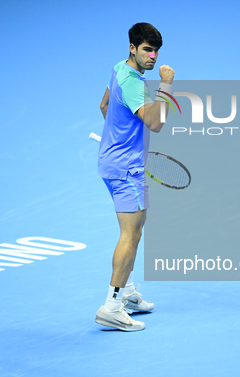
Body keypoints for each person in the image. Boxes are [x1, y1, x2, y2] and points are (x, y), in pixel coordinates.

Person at [94, 22, 175, 331]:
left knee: (132, 230)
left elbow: (104, 105)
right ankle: (112, 307)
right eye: (147, 50)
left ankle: (126, 294)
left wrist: (117, 140)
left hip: (110, 162)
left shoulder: (119, 69)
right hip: (128, 170)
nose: (153, 57)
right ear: (133, 48)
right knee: (132, 233)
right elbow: (155, 123)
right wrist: (165, 85)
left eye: (156, 51)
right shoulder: (135, 85)